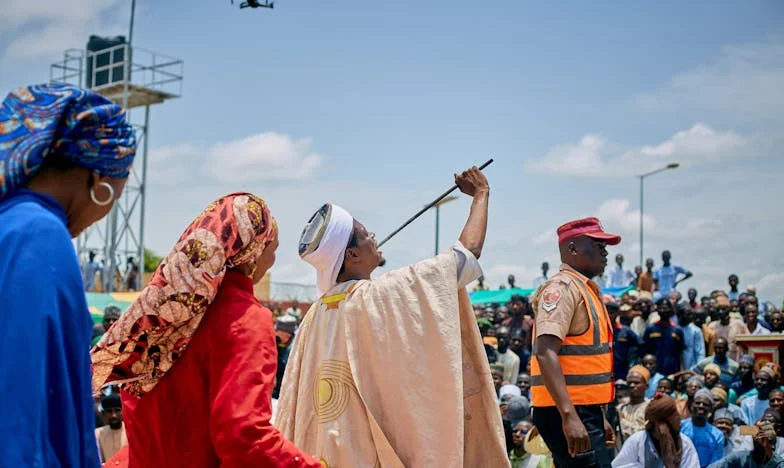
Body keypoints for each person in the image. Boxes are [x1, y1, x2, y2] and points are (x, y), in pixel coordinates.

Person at [276, 167, 508, 467]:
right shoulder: (375, 297)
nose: (373, 236)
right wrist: (481, 194)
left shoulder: (314, 316)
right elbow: (464, 256)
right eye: (364, 234)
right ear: (352, 256)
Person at [91, 193, 321, 467]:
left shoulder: (159, 315)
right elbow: (243, 437)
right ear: (252, 251)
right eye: (273, 247)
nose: (272, 260)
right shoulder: (246, 319)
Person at [0, 83, 136, 467]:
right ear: (98, 181)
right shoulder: (38, 235)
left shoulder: (12, 225)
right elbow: (19, 410)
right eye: (118, 193)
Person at [529, 217, 619, 467]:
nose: (605, 251)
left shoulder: (585, 288)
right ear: (572, 249)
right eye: (597, 244)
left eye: (605, 246)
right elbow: (545, 352)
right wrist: (569, 416)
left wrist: (597, 416)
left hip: (582, 409)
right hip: (566, 410)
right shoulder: (562, 287)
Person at [612, 393, 700, 468]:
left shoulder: (684, 443)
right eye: (675, 416)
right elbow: (619, 465)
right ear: (660, 424)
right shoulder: (638, 441)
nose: (679, 420)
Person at [710, 421, 784, 467]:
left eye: (763, 440)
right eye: (756, 441)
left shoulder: (779, 464)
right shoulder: (741, 457)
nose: (758, 441)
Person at [681, 389, 724, 467]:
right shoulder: (680, 426)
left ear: (711, 409)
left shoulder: (717, 435)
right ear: (691, 406)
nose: (701, 406)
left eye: (705, 404)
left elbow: (715, 463)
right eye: (697, 403)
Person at [642, 298, 684, 377]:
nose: (662, 311)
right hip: (653, 370)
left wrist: (681, 372)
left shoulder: (677, 330)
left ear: (670, 310)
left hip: (672, 370)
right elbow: (645, 350)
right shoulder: (650, 328)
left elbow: (680, 353)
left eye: (665, 308)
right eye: (660, 308)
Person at [618, 365, 651, 442]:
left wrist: (622, 421)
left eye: (636, 383)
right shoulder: (621, 408)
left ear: (646, 386)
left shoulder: (650, 408)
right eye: (629, 383)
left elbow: (643, 434)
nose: (632, 385)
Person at [94, 393, 127, 462]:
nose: (113, 415)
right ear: (103, 413)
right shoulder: (98, 434)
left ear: (123, 411)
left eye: (117, 410)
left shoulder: (131, 432)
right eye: (109, 411)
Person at [613, 303, 642, 380]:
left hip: (622, 370)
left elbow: (641, 344)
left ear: (617, 314)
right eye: (607, 312)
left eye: (612, 313)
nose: (609, 315)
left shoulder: (625, 330)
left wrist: (631, 356)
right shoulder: (601, 330)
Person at [273, 314, 297, 399]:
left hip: (285, 392)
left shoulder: (294, 350)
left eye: (280, 334)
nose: (276, 335)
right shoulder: (272, 343)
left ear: (288, 335)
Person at [681, 304, 707, 370]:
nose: (691, 317)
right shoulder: (675, 329)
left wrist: (697, 369)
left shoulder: (696, 330)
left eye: (691, 314)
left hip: (691, 369)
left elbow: (700, 353)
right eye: (688, 314)